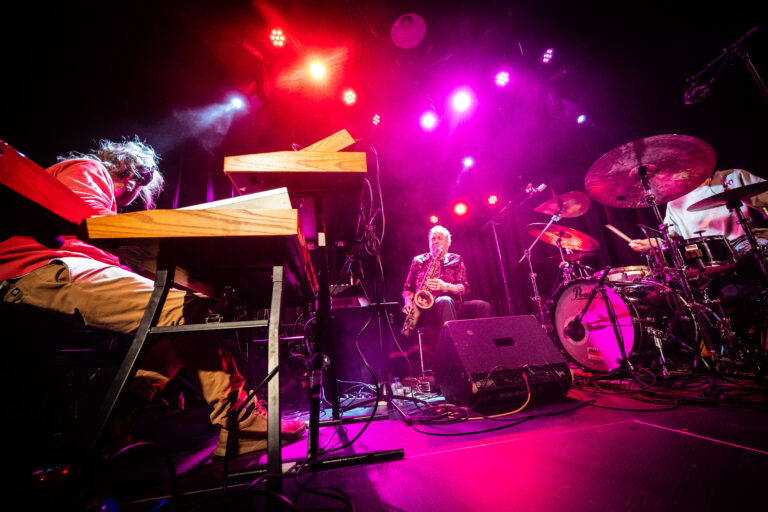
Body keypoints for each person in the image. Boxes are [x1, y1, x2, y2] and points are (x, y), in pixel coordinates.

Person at [0, 137, 305, 458]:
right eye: (128, 173)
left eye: (141, 180)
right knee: (184, 309)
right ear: (114, 162)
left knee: (175, 323)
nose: (132, 184)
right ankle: (240, 421)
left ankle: (112, 417)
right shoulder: (88, 169)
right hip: (40, 270)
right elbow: (90, 226)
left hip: (53, 272)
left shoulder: (101, 192)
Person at [402, 225, 493, 333]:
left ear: (448, 243)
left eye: (439, 238)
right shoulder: (418, 260)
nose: (435, 241)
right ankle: (452, 346)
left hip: (455, 305)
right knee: (445, 300)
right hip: (427, 310)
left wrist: (445, 286)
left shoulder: (456, 259)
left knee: (484, 306)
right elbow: (407, 288)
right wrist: (408, 302)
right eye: (432, 239)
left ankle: (483, 344)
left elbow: (464, 287)